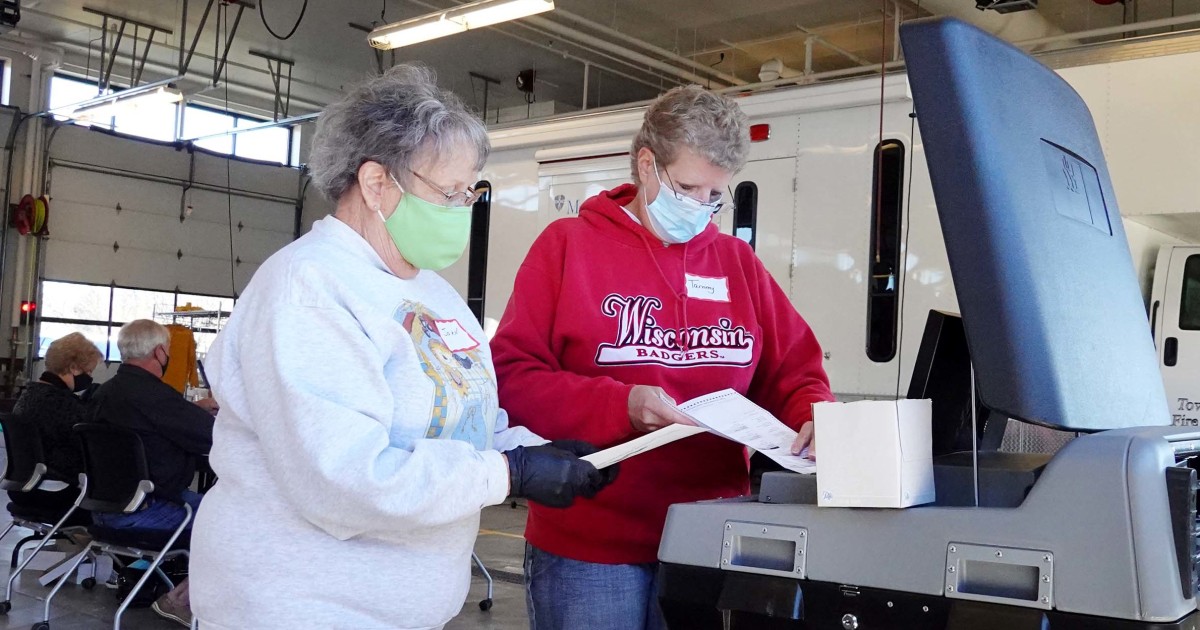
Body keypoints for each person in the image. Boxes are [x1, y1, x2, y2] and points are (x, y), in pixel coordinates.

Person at [189, 64, 616, 630]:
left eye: (471, 191)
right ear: (375, 183)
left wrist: (537, 448)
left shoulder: (434, 294)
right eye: (450, 191)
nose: (464, 207)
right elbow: (345, 480)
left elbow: (459, 422)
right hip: (304, 607)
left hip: (402, 610)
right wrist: (510, 473)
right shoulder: (308, 287)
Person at [491, 85, 836, 630]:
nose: (701, 209)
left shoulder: (734, 262)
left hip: (708, 538)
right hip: (592, 546)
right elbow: (511, 377)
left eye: (715, 195)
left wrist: (812, 411)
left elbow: (794, 369)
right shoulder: (567, 248)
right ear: (647, 165)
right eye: (688, 188)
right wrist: (621, 405)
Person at [90, 319, 218, 627]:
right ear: (160, 352)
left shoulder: (103, 394)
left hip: (101, 510)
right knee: (234, 519)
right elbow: (212, 436)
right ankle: (182, 600)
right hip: (149, 511)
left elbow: (155, 425)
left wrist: (190, 411)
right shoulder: (156, 396)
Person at [7, 332, 101, 515]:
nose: (90, 378)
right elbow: (91, 450)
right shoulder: (62, 404)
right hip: (56, 493)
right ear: (74, 367)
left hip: (22, 488)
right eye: (89, 371)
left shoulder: (29, 395)